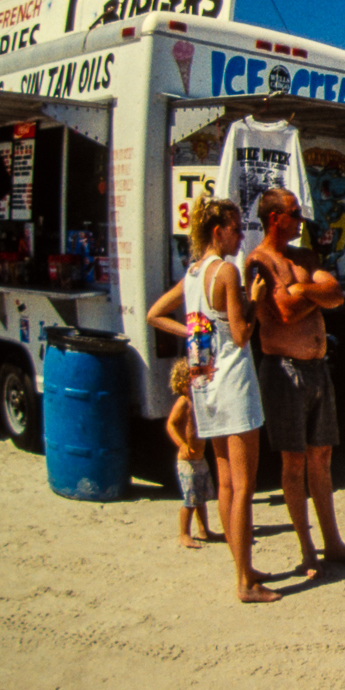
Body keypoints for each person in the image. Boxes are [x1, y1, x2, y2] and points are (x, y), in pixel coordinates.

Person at [146, 198, 278, 603]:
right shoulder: (225, 271)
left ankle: (242, 565)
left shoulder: (192, 273)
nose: (241, 236)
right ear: (218, 230)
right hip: (234, 383)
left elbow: (154, 314)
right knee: (243, 486)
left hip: (205, 384)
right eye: (236, 228)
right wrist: (254, 298)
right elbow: (241, 334)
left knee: (225, 483)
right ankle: (244, 581)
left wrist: (192, 333)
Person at [246, 187, 345, 577]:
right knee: (294, 460)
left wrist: (303, 289)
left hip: (318, 368)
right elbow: (283, 313)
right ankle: (307, 549)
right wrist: (308, 294)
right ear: (274, 218)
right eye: (293, 212)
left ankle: (333, 542)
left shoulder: (303, 257)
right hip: (284, 371)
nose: (300, 218)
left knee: (322, 457)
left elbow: (336, 295)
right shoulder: (260, 261)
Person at [164, 360, 216, 550]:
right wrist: (182, 443)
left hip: (200, 458)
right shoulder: (183, 403)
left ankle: (204, 530)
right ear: (182, 383)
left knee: (201, 497)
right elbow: (170, 424)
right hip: (187, 461)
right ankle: (184, 534)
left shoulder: (198, 402)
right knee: (190, 500)